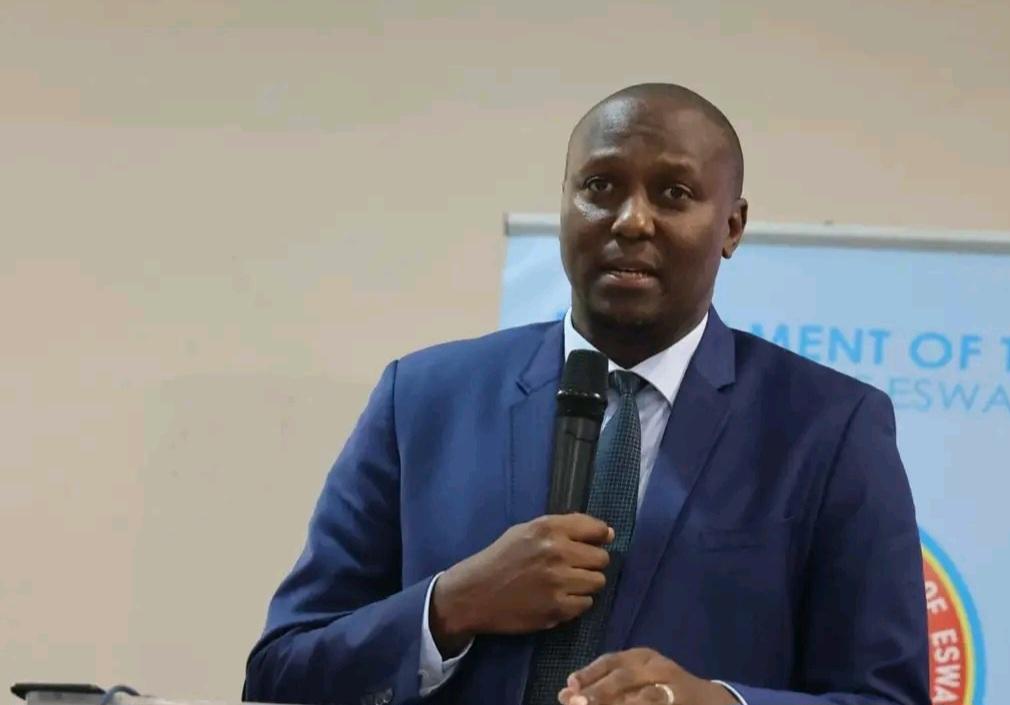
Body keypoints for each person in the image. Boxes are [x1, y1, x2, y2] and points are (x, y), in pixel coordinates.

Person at [243, 83, 930, 705]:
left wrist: (717, 703)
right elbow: (279, 671)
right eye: (600, 186)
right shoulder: (422, 400)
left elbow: (886, 697)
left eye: (674, 193)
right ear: (565, 205)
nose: (631, 220)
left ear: (732, 226)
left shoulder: (829, 427)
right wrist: (449, 606)